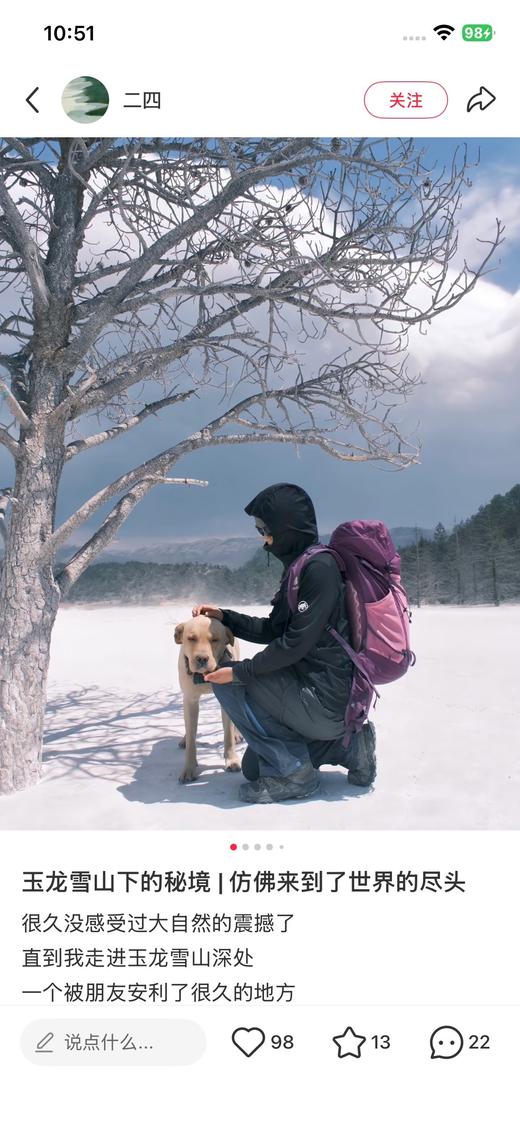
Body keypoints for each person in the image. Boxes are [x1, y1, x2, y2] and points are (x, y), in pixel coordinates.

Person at [193, 482, 376, 804]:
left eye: (265, 529)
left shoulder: (319, 569)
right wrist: (226, 617)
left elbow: (294, 644)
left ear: (285, 527)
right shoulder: (300, 567)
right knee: (254, 768)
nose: (263, 538)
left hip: (325, 697)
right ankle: (347, 747)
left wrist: (239, 672)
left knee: (228, 684)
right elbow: (272, 630)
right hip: (311, 691)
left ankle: (296, 774)